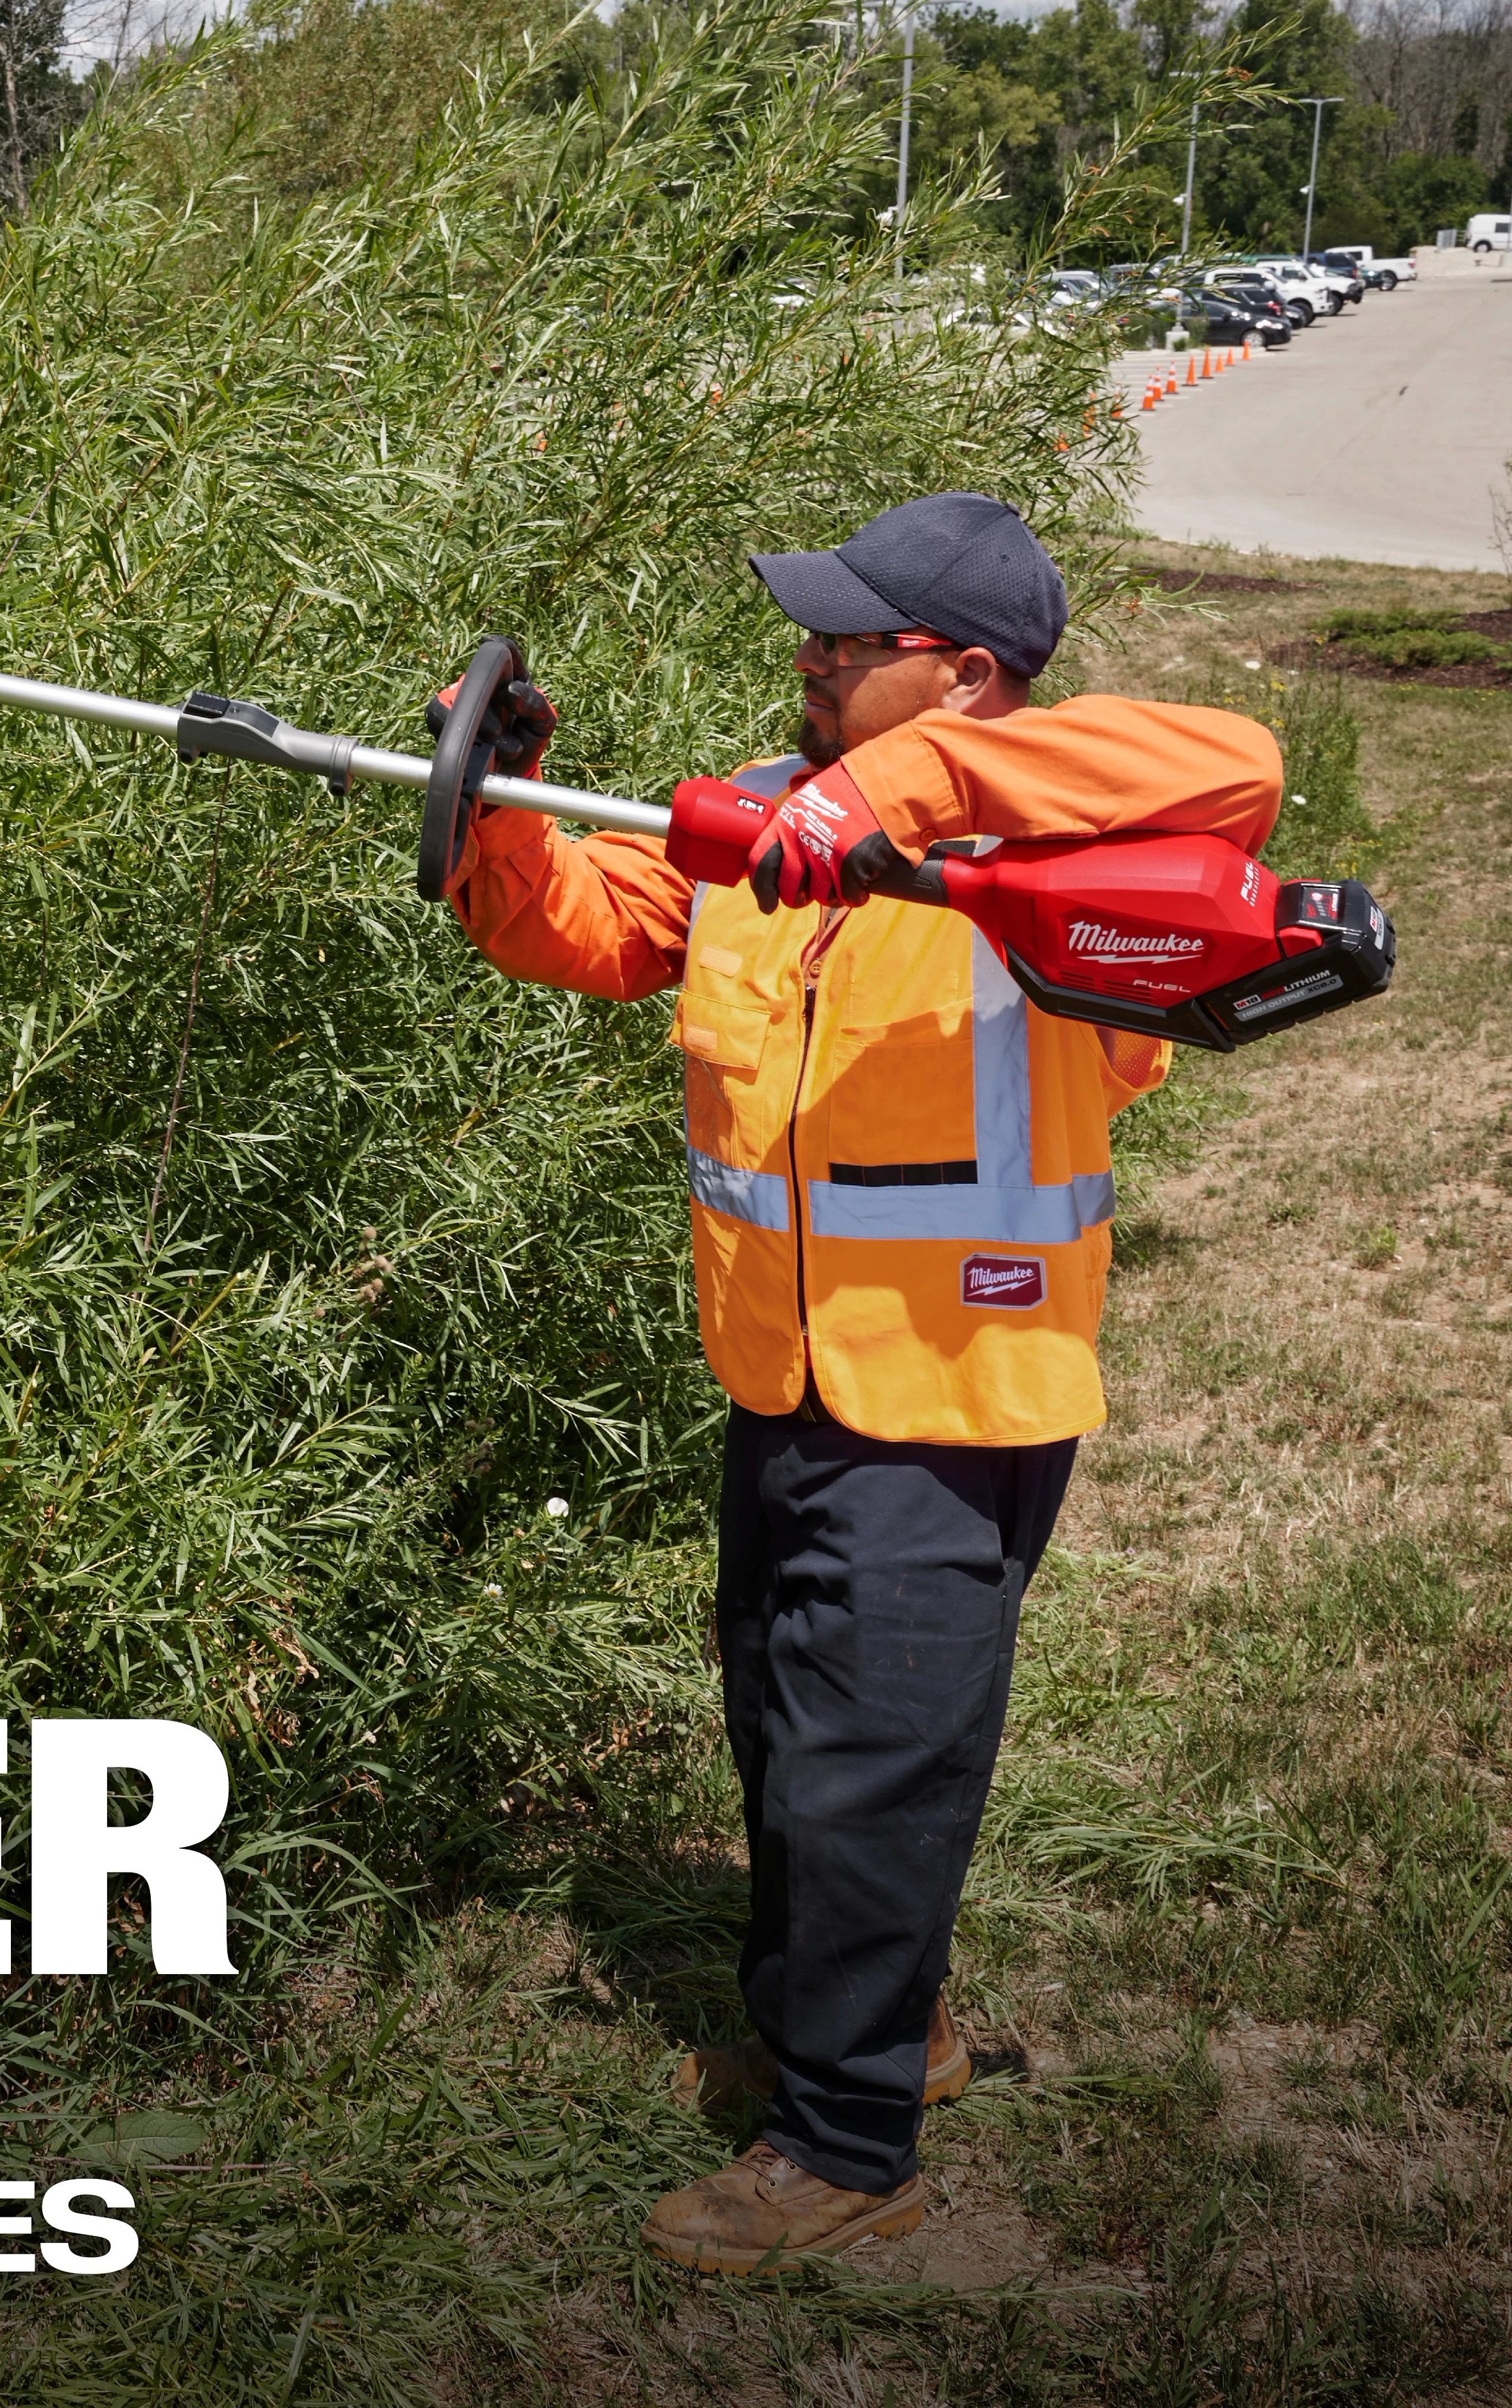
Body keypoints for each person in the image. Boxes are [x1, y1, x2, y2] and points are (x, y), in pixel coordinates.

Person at [438, 492, 1282, 2276]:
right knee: (782, 1727)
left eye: (848, 643)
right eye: (814, 640)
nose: (810, 665)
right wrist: (496, 813)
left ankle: (849, 2144)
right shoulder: (771, 814)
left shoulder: (1075, 822)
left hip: (956, 1393)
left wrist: (900, 798)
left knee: (866, 1771)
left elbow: (1244, 766)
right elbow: (596, 929)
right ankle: (876, 2026)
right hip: (782, 1367)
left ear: (967, 674)